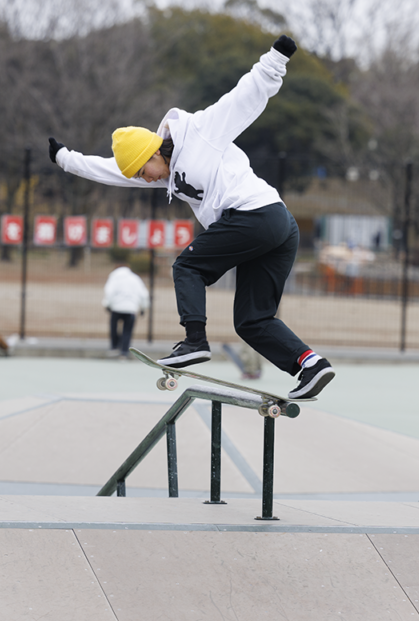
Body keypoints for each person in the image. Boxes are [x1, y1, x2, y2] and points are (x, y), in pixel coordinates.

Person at [47, 34, 334, 399]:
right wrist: (65, 160)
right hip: (274, 228)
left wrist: (276, 59)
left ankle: (194, 340)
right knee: (252, 320)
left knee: (188, 266)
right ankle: (310, 365)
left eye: (143, 172)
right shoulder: (163, 170)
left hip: (257, 216)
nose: (145, 180)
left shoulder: (200, 132)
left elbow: (243, 98)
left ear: (154, 151)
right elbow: (110, 171)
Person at [103, 252, 150, 358]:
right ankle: (124, 351)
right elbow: (143, 294)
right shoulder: (135, 278)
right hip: (131, 309)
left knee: (113, 328)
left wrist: (107, 304)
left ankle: (114, 347)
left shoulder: (114, 277)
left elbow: (109, 292)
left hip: (116, 308)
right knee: (127, 330)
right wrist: (143, 307)